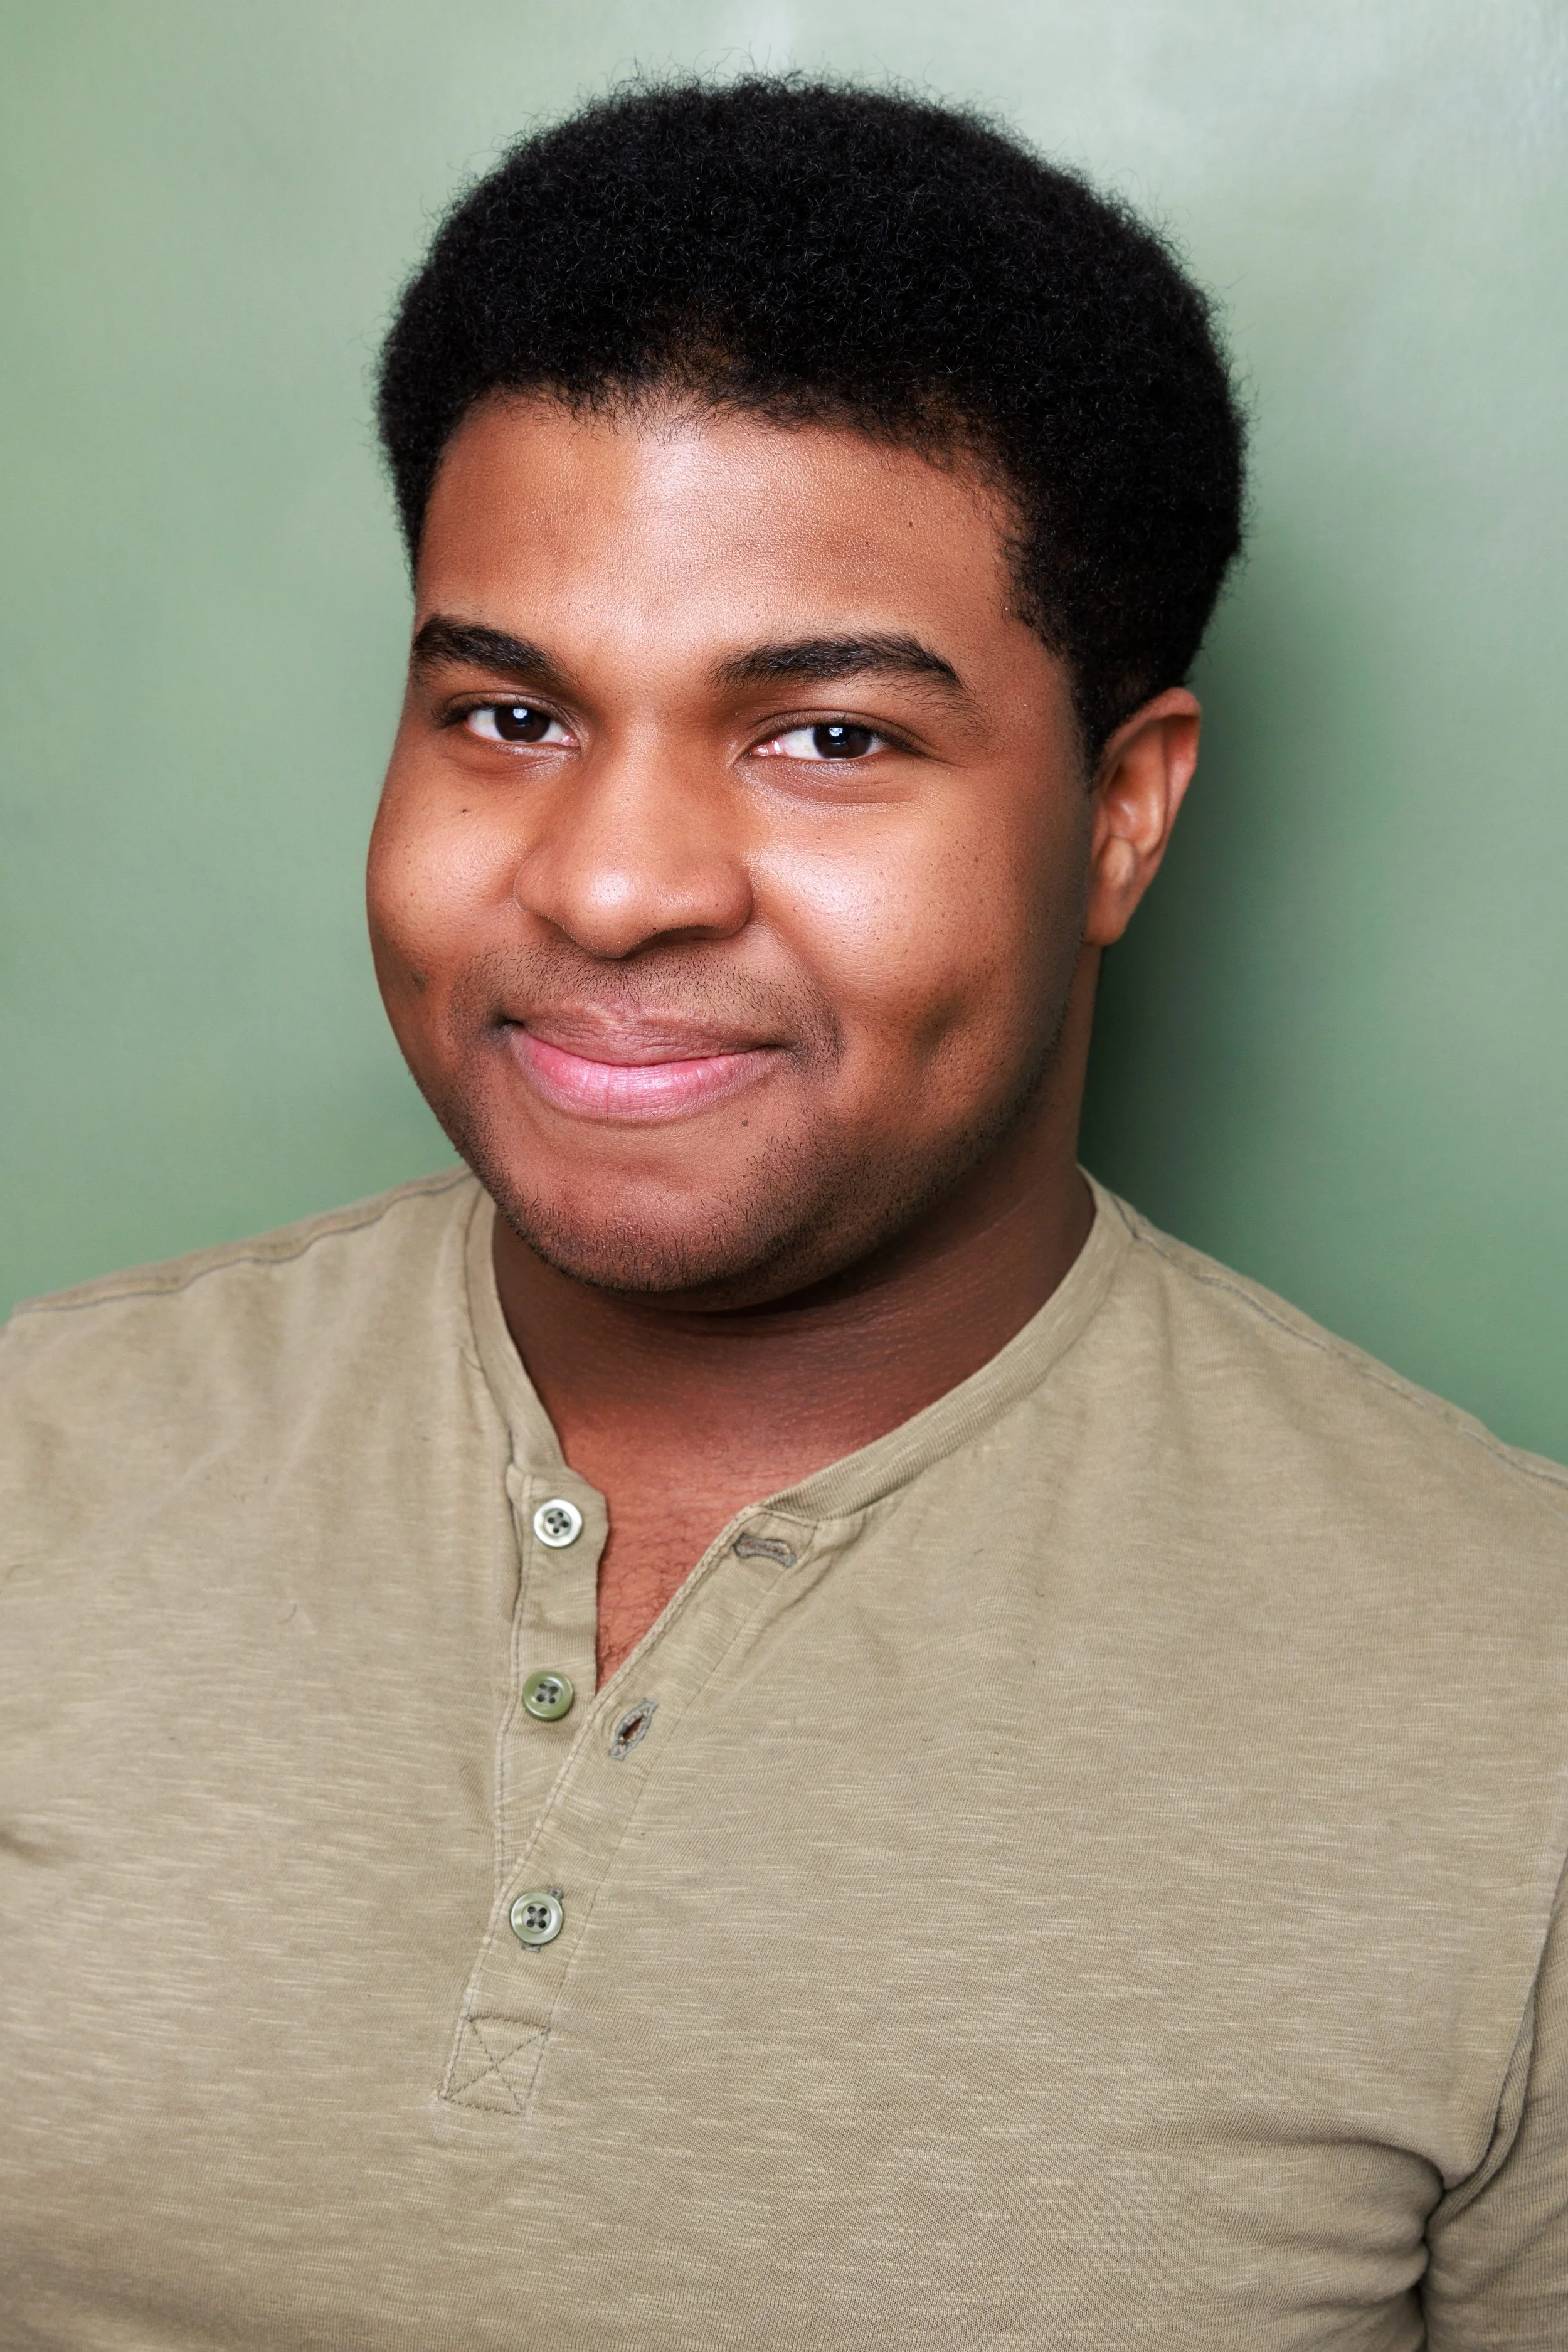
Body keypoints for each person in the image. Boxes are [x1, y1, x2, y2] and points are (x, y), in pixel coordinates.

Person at [2, 76, 1565, 2351]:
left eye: (827, 735)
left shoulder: (1516, 1712)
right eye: (511, 711)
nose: (614, 883)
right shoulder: (36, 1465)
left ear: (1121, 815)